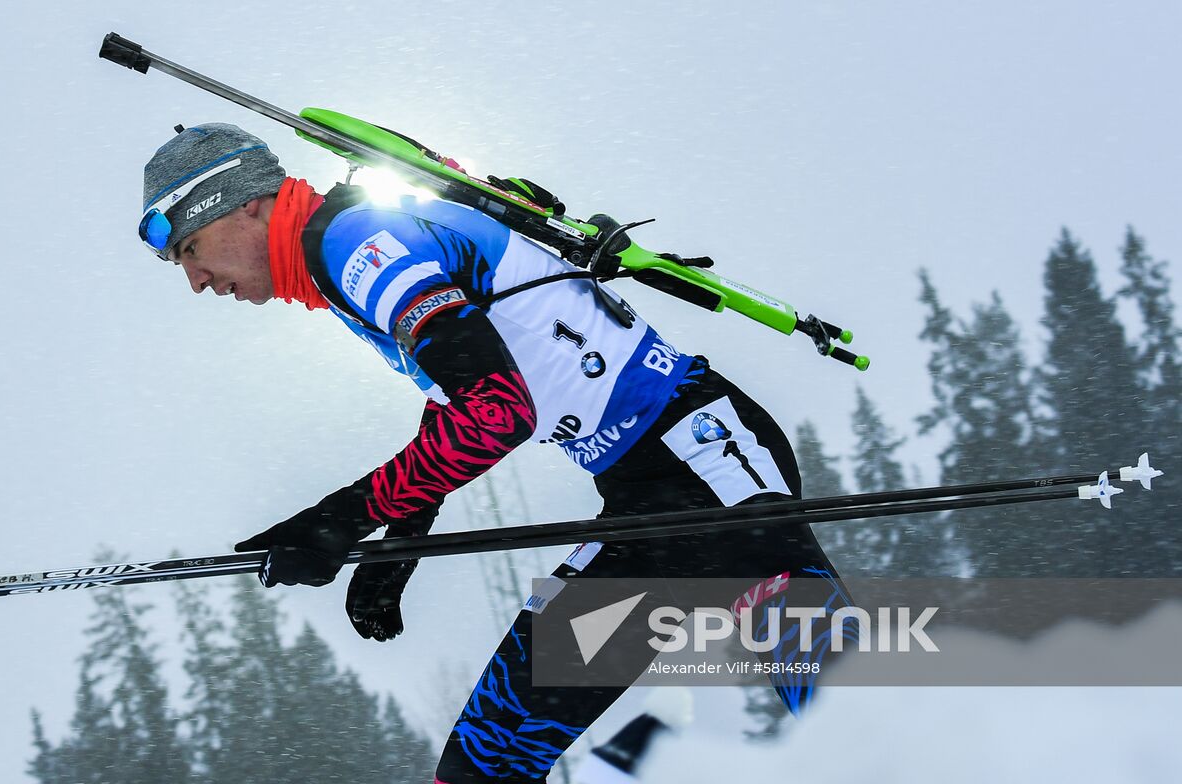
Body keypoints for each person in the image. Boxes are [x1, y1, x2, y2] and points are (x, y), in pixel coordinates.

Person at [139, 123, 853, 782]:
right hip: (645, 505)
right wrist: (401, 542)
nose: (196, 280)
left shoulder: (355, 245)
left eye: (191, 249)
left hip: (703, 457)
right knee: (487, 765)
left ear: (247, 206)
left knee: (852, 707)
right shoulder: (350, 249)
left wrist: (338, 521)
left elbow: (497, 414)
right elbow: (457, 398)